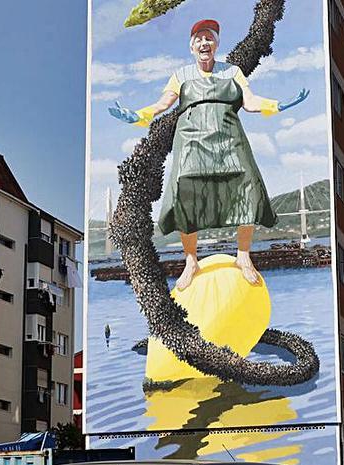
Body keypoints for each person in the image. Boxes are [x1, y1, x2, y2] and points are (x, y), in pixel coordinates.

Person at [108, 18, 309, 290]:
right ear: (192, 47)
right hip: (191, 140)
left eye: (209, 38)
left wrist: (279, 105)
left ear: (216, 44)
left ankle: (243, 256)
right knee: (184, 193)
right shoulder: (180, 75)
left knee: (247, 186)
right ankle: (191, 261)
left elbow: (249, 102)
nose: (205, 42)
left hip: (229, 137)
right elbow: (163, 104)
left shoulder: (233, 72)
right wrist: (136, 116)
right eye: (199, 39)